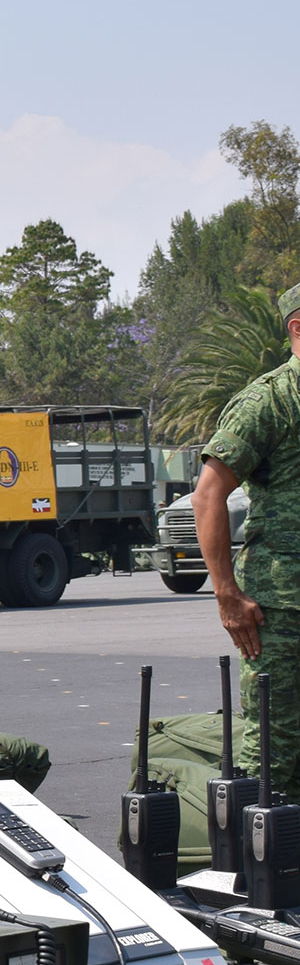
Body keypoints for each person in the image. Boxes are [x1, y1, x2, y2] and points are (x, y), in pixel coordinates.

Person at [196, 279, 300, 804]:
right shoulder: (270, 400)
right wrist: (226, 593)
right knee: (275, 757)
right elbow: (209, 495)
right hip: (283, 613)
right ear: (298, 328)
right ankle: (270, 877)